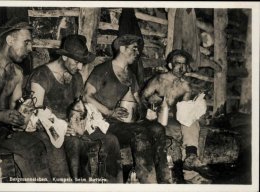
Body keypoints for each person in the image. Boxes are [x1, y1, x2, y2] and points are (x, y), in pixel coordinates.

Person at [27, 34, 122, 183]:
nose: (79, 67)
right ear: (64, 57)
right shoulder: (41, 75)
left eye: (82, 63)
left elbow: (78, 106)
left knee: (111, 140)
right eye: (76, 62)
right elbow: (35, 114)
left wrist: (80, 121)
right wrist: (62, 127)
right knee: (74, 145)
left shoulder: (76, 77)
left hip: (71, 127)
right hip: (48, 129)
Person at [0, 17, 51, 181]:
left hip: (1, 133)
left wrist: (22, 120)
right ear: (10, 40)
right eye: (26, 42)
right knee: (29, 151)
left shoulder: (17, 73)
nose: (30, 48)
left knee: (41, 144)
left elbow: (16, 111)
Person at [84, 34, 167, 183]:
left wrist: (148, 107)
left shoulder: (131, 75)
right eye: (134, 49)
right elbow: (86, 96)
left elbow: (136, 100)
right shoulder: (102, 70)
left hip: (128, 123)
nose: (137, 53)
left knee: (158, 128)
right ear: (122, 48)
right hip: (107, 123)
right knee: (139, 132)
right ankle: (149, 182)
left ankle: (165, 181)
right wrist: (109, 111)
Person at [141, 49, 210, 180]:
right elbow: (142, 98)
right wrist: (150, 106)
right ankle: (187, 175)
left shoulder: (185, 86)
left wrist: (196, 110)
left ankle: (191, 158)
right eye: (177, 63)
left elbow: (184, 111)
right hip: (155, 118)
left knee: (191, 124)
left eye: (184, 64)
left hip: (173, 119)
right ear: (170, 65)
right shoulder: (158, 80)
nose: (181, 67)